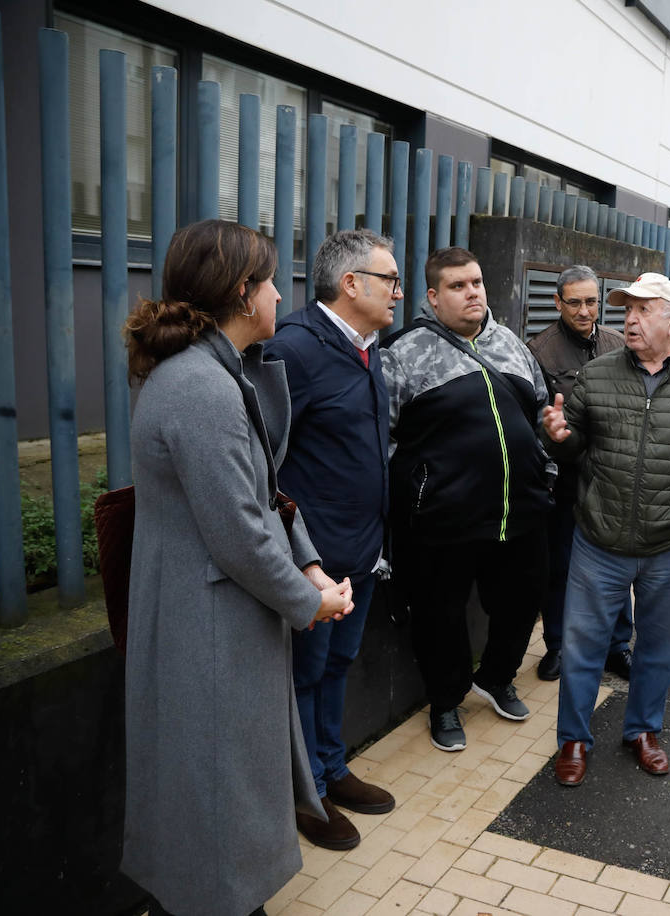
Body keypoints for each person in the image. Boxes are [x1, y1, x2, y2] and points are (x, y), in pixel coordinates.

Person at [121, 220, 355, 916]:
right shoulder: (201, 387)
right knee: (214, 806)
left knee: (215, 800)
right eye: (272, 281)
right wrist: (311, 601)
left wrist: (307, 565)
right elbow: (242, 536)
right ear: (242, 292)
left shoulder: (212, 373)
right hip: (210, 630)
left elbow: (263, 491)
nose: (282, 294)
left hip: (215, 620)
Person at [541, 272, 670, 786]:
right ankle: (574, 741)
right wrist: (558, 438)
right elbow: (573, 445)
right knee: (582, 646)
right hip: (598, 539)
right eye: (626, 308)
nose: (628, 317)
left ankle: (643, 730)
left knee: (660, 646)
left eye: (643, 309)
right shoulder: (598, 374)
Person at [381, 246, 552, 754]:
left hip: (520, 512)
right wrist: (420, 492)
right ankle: (446, 699)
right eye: (458, 286)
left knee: (523, 601)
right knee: (441, 616)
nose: (473, 292)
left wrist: (547, 466)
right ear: (433, 297)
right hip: (444, 521)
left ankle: (497, 678)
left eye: (476, 282)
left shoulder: (513, 346)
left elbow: (540, 412)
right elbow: (385, 437)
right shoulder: (404, 353)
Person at [263, 229, 399, 851]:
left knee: (339, 664)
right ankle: (305, 790)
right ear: (352, 285)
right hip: (316, 561)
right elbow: (264, 464)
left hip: (364, 550)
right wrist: (302, 560)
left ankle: (332, 767)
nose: (399, 292)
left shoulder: (368, 346)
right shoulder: (293, 350)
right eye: (390, 280)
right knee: (307, 674)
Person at [525, 265, 633, 681]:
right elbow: (536, 420)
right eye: (575, 302)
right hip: (564, 478)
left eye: (591, 301)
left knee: (618, 561)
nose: (585, 310)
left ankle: (617, 646)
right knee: (561, 567)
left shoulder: (618, 343)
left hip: (612, 476)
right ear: (557, 302)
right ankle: (557, 646)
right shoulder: (539, 350)